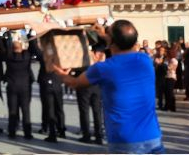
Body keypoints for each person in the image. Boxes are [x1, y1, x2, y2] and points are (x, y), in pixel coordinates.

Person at [53, 20, 164, 154]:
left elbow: (74, 83)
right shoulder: (145, 60)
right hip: (152, 136)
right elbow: (122, 45)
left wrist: (59, 73)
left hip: (124, 140)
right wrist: (104, 35)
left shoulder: (103, 68)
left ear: (112, 41)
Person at [30, 34, 65, 142]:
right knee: (59, 107)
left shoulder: (44, 55)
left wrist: (32, 36)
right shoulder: (60, 54)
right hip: (58, 82)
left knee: (48, 108)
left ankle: (50, 131)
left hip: (46, 83)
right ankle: (61, 129)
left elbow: (34, 48)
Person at [2, 31, 35, 139]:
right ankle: (27, 133)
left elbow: (6, 49)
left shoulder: (9, 58)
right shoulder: (26, 57)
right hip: (25, 87)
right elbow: (32, 48)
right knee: (26, 110)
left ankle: (12, 132)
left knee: (12, 110)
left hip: (12, 87)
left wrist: (6, 37)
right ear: (22, 48)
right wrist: (31, 34)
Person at [73, 44, 105, 144]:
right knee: (97, 112)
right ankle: (98, 136)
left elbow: (77, 70)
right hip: (97, 88)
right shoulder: (100, 61)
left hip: (84, 87)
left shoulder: (83, 59)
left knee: (84, 111)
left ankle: (86, 135)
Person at [163, 46, 179, 112]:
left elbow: (172, 68)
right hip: (166, 77)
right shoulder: (166, 59)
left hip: (171, 77)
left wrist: (165, 66)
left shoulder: (174, 60)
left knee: (170, 92)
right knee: (167, 92)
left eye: (167, 52)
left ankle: (170, 106)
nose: (165, 53)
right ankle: (169, 106)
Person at [153, 46, 168, 110]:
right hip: (158, 75)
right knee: (159, 91)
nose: (160, 52)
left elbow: (166, 66)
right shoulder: (156, 57)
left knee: (165, 91)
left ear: (164, 52)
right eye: (160, 50)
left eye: (162, 50)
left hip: (164, 76)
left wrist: (161, 63)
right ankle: (160, 104)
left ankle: (166, 105)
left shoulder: (166, 58)